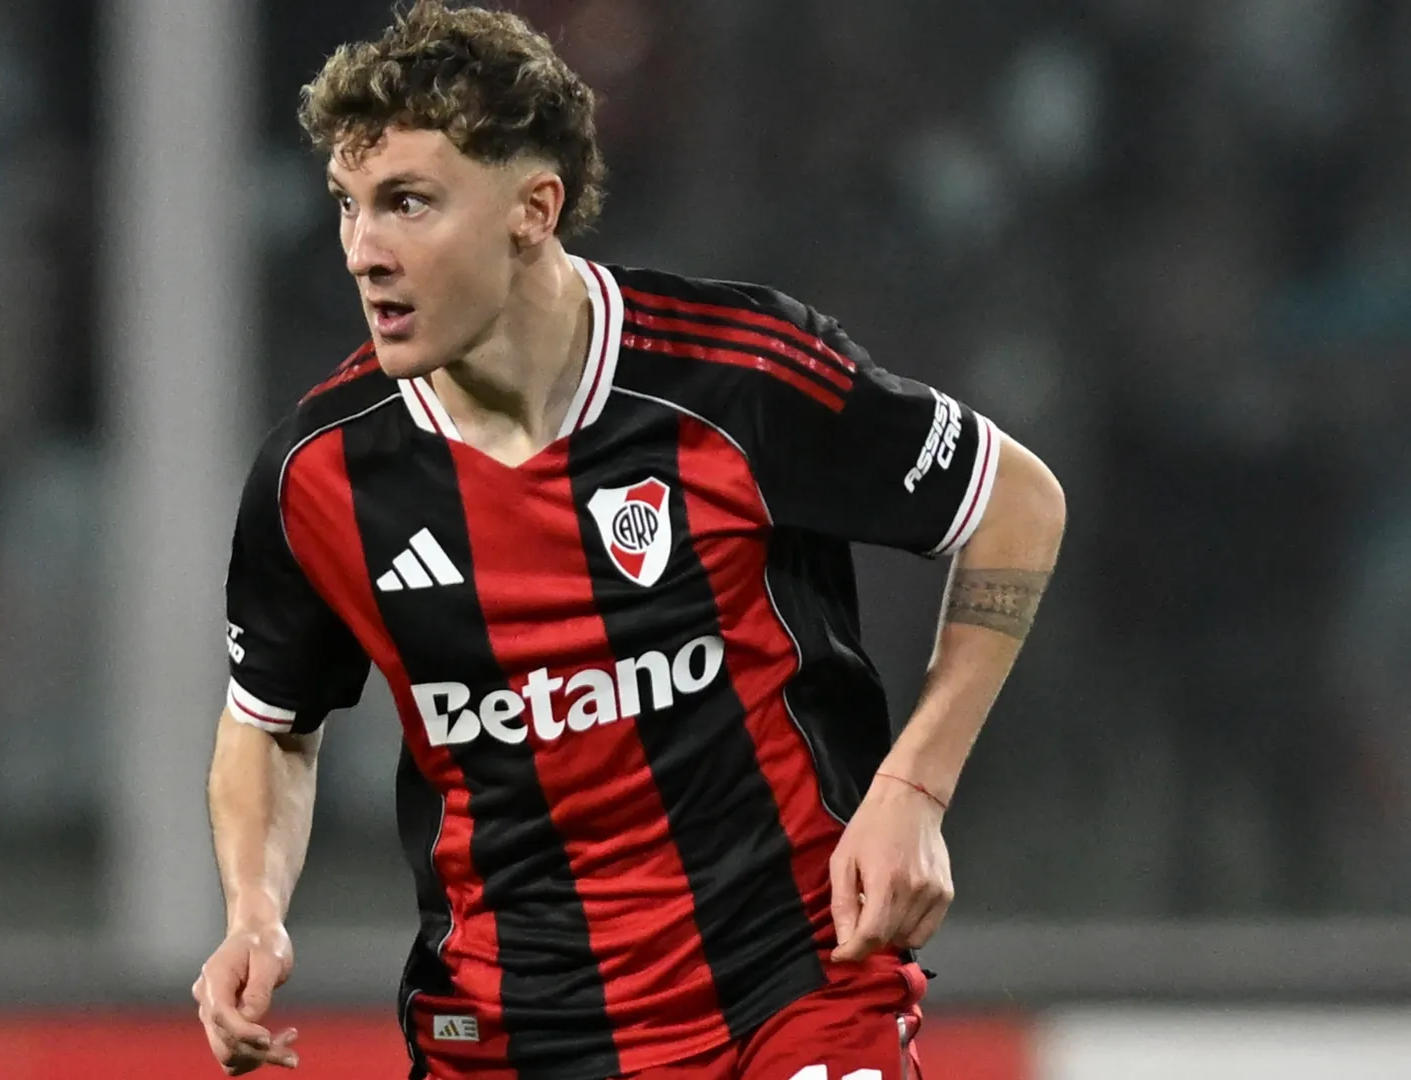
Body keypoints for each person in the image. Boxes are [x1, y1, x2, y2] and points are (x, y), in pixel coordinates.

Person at [193, 4, 1067, 1078]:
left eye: (409, 203)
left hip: (786, 988)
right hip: (512, 1032)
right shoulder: (319, 476)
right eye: (349, 206)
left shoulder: (736, 377)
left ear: (533, 208)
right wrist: (255, 910)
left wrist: (914, 791)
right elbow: (269, 724)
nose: (364, 252)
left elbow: (1015, 505)